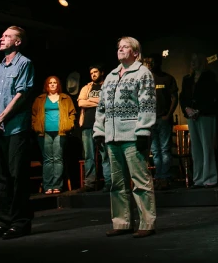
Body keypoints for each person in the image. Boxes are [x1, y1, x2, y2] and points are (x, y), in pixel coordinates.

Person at [93, 36, 157, 238]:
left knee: (140, 181)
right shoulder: (111, 76)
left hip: (132, 136)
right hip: (112, 137)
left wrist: (143, 130)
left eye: (125, 47)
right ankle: (122, 223)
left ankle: (147, 223)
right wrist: (99, 130)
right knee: (117, 183)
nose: (120, 49)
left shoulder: (143, 73)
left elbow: (147, 103)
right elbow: (101, 107)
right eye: (119, 47)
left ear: (136, 53)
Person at [0, 26, 36, 240]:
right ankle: (4, 222)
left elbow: (20, 95)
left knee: (17, 177)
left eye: (7, 36)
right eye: (2, 35)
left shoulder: (24, 63)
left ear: (17, 42)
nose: (2, 38)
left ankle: (20, 222)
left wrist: (0, 118)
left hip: (15, 128)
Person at [180, 52, 218, 188]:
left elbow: (211, 96)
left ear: (202, 61)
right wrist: (187, 109)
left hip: (206, 115)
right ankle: (198, 179)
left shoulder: (209, 76)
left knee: (207, 147)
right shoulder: (187, 79)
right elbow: (183, 97)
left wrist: (199, 110)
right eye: (192, 59)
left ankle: (210, 178)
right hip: (191, 116)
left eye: (196, 59)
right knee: (196, 149)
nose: (193, 62)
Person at [31, 76, 76, 194]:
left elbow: (72, 113)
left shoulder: (65, 98)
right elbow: (34, 114)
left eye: (54, 82)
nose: (52, 84)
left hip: (60, 132)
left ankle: (57, 186)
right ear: (46, 85)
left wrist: (69, 125)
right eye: (50, 83)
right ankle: (48, 186)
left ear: (58, 85)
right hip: (44, 132)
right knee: (47, 159)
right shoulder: (40, 99)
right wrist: (35, 126)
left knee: (57, 159)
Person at [143, 53, 179, 190]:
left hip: (163, 118)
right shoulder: (144, 80)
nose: (150, 64)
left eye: (152, 62)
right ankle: (159, 176)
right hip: (150, 120)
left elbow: (174, 97)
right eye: (148, 62)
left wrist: (168, 115)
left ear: (158, 62)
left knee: (164, 149)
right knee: (155, 151)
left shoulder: (167, 78)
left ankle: (165, 176)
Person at [77, 64, 111, 192]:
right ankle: (90, 183)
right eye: (91, 73)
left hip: (104, 125)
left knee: (105, 155)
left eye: (95, 72)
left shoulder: (107, 85)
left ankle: (108, 182)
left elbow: (108, 102)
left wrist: (90, 100)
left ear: (101, 72)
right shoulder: (87, 87)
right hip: (87, 124)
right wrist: (98, 101)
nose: (93, 75)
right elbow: (81, 102)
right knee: (88, 155)